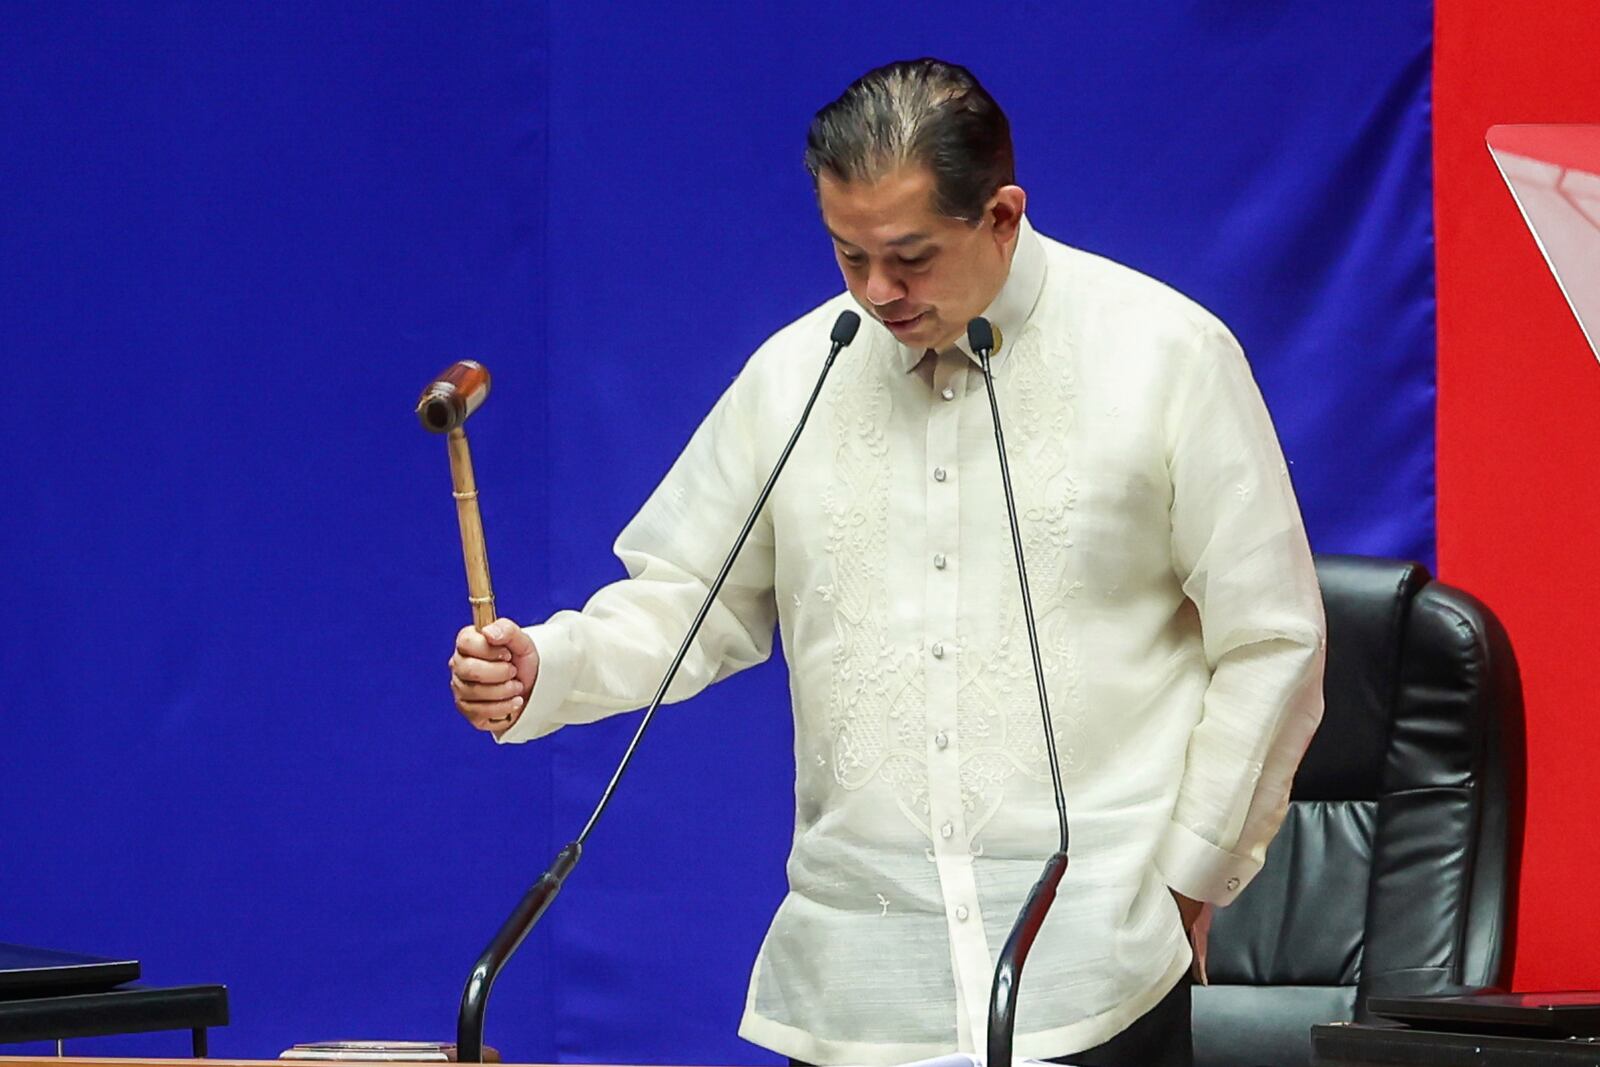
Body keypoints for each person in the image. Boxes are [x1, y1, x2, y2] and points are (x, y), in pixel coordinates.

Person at [447, 58, 1325, 1067]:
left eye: (909, 256)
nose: (876, 290)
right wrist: (546, 667)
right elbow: (691, 599)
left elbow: (1273, 637)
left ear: (1001, 215)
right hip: (857, 984)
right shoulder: (798, 373)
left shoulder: (1163, 354)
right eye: (846, 253)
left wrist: (1192, 872)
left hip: (1094, 969)